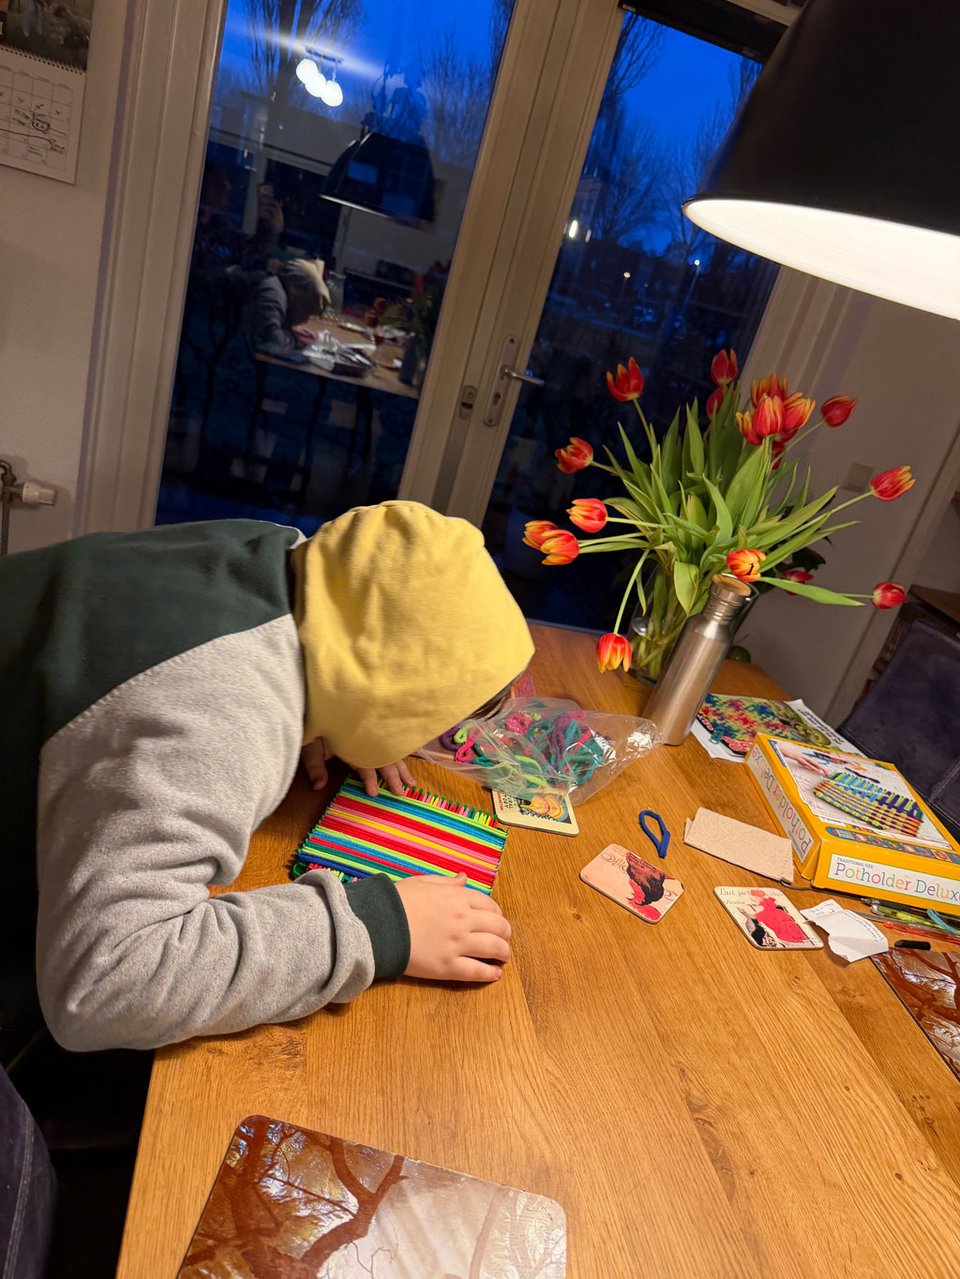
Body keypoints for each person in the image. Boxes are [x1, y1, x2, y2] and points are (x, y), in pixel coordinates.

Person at [0, 501, 534, 1056]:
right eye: (432, 728)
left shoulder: (278, 549)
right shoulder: (220, 714)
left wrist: (344, 718)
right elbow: (106, 984)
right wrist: (378, 926)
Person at [245, 258, 330, 354]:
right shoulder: (274, 295)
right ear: (298, 295)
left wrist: (289, 330)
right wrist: (296, 341)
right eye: (307, 310)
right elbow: (270, 341)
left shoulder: (277, 288)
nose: (305, 320)